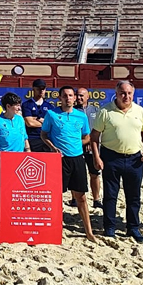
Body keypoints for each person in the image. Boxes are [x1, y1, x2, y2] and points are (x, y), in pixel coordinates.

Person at [90, 81, 143, 242]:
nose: (126, 96)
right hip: (111, 157)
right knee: (111, 195)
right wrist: (96, 157)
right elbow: (95, 136)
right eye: (122, 93)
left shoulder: (140, 111)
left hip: (134, 159)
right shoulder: (105, 111)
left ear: (133, 94)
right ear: (117, 94)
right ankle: (109, 227)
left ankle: (133, 228)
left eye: (129, 93)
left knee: (133, 196)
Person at [40, 86, 97, 241]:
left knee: (81, 197)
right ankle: (52, 229)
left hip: (77, 158)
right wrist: (53, 147)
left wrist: (77, 144)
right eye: (65, 96)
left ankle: (89, 231)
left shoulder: (81, 116)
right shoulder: (51, 114)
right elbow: (44, 134)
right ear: (60, 98)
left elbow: (87, 137)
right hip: (59, 159)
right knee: (56, 196)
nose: (68, 98)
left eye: (71, 95)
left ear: (74, 98)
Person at [0, 92, 30, 236]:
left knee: (16, 196)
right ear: (8, 106)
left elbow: (25, 138)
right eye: (16, 105)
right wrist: (0, 154)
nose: (19, 108)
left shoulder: (20, 120)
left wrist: (28, 151)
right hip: (0, 162)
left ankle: (12, 227)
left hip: (19, 162)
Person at [76, 86, 103, 210]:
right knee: (76, 174)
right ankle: (74, 198)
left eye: (81, 95)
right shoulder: (72, 111)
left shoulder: (96, 110)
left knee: (94, 173)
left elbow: (99, 129)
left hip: (92, 147)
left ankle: (96, 199)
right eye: (77, 95)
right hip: (77, 146)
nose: (79, 97)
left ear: (87, 97)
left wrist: (92, 142)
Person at [22, 79, 56, 152]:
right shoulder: (26, 105)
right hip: (32, 138)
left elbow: (53, 124)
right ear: (33, 89)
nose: (41, 91)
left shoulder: (50, 106)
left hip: (47, 139)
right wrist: (45, 122)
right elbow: (30, 123)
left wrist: (37, 119)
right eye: (38, 89)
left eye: (43, 89)